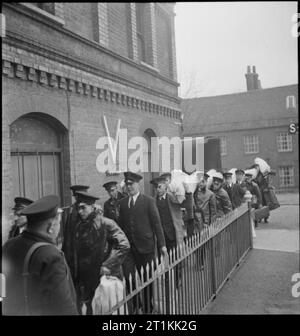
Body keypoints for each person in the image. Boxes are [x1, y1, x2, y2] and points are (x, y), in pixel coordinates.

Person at [2, 195, 78, 315]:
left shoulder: (9, 245)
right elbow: (63, 306)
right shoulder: (51, 256)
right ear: (51, 226)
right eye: (58, 222)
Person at [72, 191, 130, 315]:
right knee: (88, 308)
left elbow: (124, 244)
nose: (80, 212)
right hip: (85, 277)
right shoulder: (78, 227)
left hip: (101, 275)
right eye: (78, 208)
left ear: (92, 207)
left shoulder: (106, 223)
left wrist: (108, 265)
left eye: (83, 208)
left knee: (106, 308)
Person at [119, 172, 167, 314]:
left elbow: (157, 224)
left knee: (146, 279)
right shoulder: (122, 204)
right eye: (127, 185)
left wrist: (162, 245)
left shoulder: (148, 201)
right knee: (129, 279)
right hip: (129, 249)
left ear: (137, 184)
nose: (129, 188)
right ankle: (136, 306)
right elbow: (121, 226)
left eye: (131, 184)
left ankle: (147, 307)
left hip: (146, 247)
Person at [61, 184, 89, 279]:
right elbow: (68, 232)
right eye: (76, 196)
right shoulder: (72, 210)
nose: (76, 198)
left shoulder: (90, 210)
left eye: (78, 196)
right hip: (73, 251)